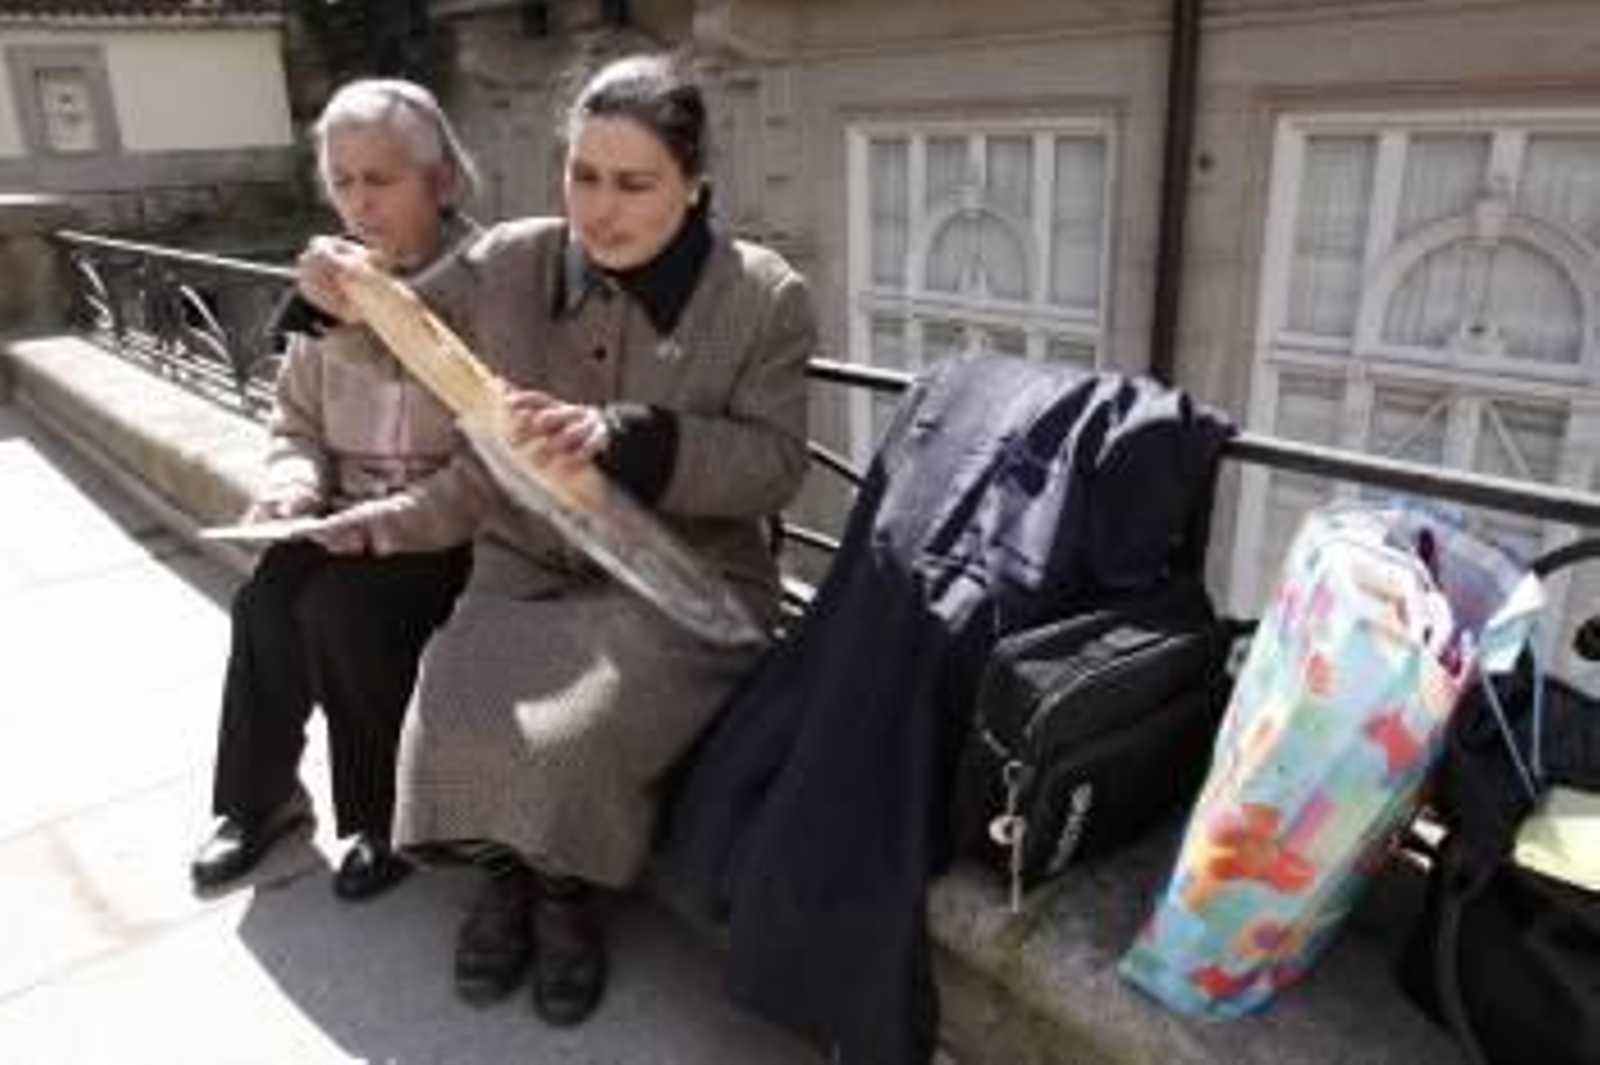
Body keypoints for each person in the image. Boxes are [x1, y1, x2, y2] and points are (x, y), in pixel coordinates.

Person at [296, 51, 816, 1026]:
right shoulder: (510, 259)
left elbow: (774, 465)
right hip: (525, 562)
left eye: (633, 183)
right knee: (447, 711)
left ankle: (563, 899)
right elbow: (399, 332)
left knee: (569, 742)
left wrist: (626, 437)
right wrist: (338, 291)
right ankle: (507, 879)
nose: (600, 209)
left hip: (681, 583)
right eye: (583, 176)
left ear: (694, 185)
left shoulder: (762, 295)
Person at [188, 78, 480, 902]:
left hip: (447, 527)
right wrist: (291, 487)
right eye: (343, 181)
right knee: (266, 603)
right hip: (341, 514)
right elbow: (294, 424)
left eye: (380, 180)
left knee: (343, 612)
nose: (359, 203)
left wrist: (380, 522)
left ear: (443, 181)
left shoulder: (491, 281)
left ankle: (382, 818)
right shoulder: (323, 285)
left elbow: (493, 456)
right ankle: (260, 798)